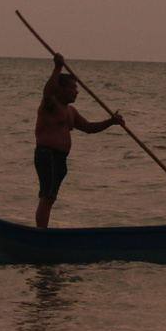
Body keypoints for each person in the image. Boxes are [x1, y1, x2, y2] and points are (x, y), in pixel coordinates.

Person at [34, 51, 122, 228]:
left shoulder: (71, 112)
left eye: (76, 89)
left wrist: (111, 122)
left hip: (60, 158)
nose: (76, 92)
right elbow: (47, 92)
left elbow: (89, 128)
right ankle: (40, 233)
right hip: (47, 154)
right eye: (72, 88)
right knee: (48, 195)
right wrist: (58, 67)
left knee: (51, 197)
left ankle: (42, 230)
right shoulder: (50, 104)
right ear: (60, 89)